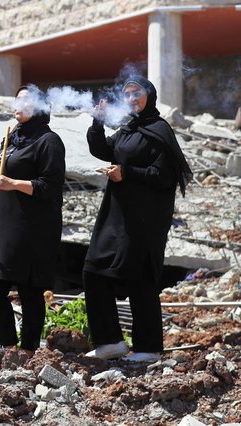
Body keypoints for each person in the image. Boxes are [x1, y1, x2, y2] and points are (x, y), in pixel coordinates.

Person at [83, 75, 192, 362]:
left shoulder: (159, 130)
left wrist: (126, 173)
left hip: (144, 219)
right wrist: (98, 121)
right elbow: (103, 150)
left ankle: (149, 348)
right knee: (94, 270)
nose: (132, 99)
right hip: (117, 214)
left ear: (150, 95)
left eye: (137, 93)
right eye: (127, 94)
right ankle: (110, 342)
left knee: (140, 278)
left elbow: (165, 176)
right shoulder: (129, 128)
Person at [0, 85, 66, 351]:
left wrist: (14, 183)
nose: (18, 104)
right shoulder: (12, 137)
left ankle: (28, 349)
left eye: (26, 100)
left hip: (30, 227)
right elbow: (2, 184)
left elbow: (50, 187)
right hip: (1, 225)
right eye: (17, 99)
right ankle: (9, 345)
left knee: (29, 289)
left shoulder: (48, 141)